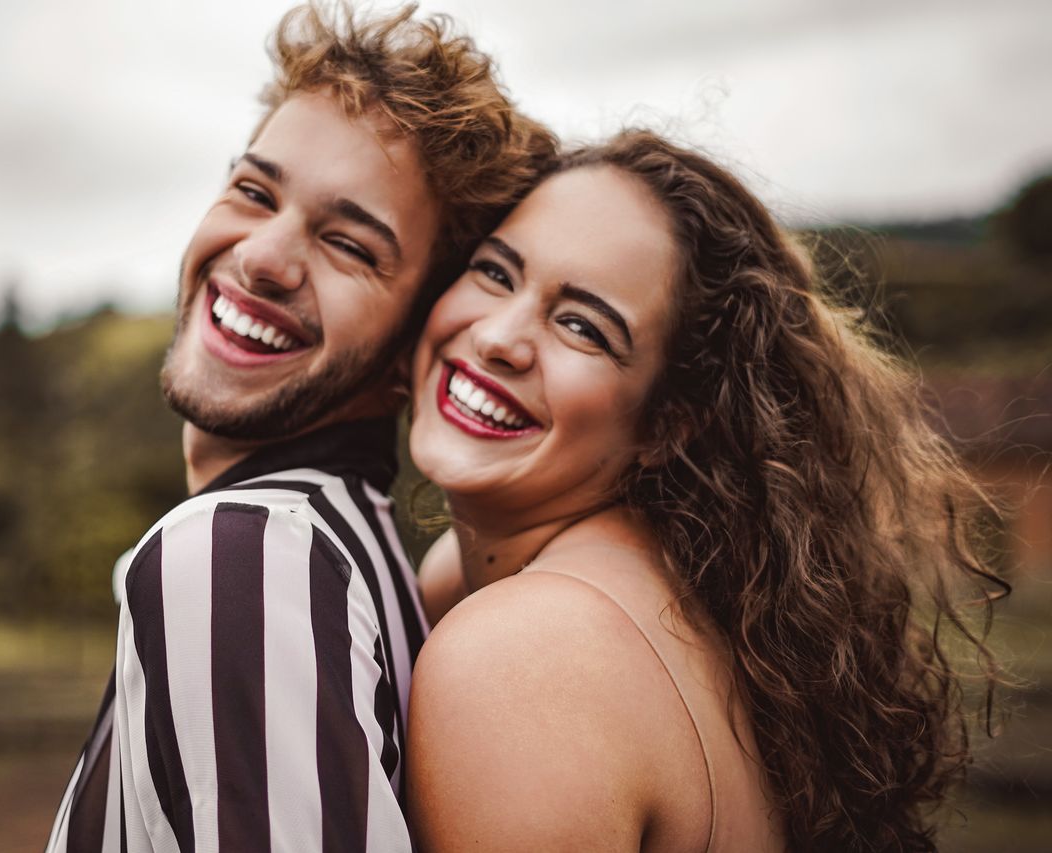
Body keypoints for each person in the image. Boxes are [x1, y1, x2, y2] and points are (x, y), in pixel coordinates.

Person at [405, 130, 1006, 852]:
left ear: (667, 423)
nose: (500, 335)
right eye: (496, 273)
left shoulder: (523, 655)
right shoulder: (512, 576)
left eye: (582, 327)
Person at [45, 4, 556, 851]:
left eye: (351, 245)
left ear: (414, 353)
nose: (262, 256)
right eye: (254, 191)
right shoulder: (348, 554)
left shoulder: (240, 555)